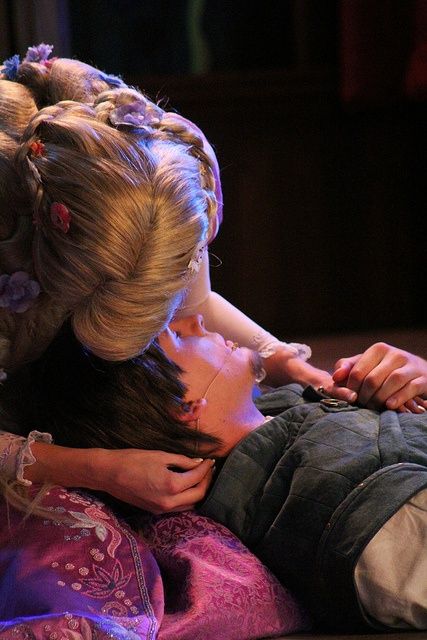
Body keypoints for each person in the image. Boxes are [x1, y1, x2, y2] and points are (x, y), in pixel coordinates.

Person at [0, 43, 423, 518]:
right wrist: (96, 468)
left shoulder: (163, 181)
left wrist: (281, 358)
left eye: (186, 263)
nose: (178, 320)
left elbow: (195, 308)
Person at [4, 312, 427, 631]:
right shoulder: (334, 500)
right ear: (184, 406)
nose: (196, 317)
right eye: (175, 333)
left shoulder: (296, 411)